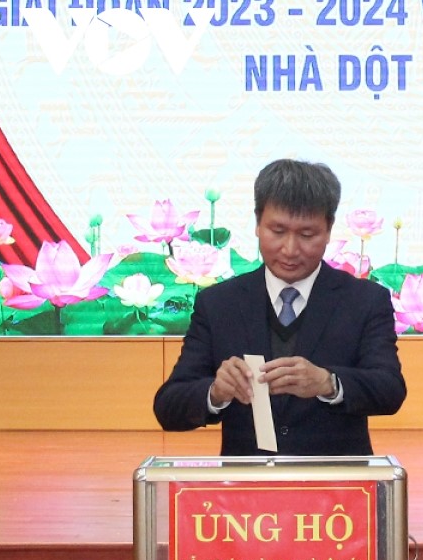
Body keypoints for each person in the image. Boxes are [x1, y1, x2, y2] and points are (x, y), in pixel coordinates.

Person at [154, 158, 407, 455]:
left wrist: (329, 383)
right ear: (257, 224)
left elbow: (390, 390)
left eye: (307, 235)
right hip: (248, 479)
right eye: (277, 231)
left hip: (337, 479)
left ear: (328, 230)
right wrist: (216, 392)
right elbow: (168, 407)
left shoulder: (365, 300)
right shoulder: (219, 303)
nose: (290, 249)